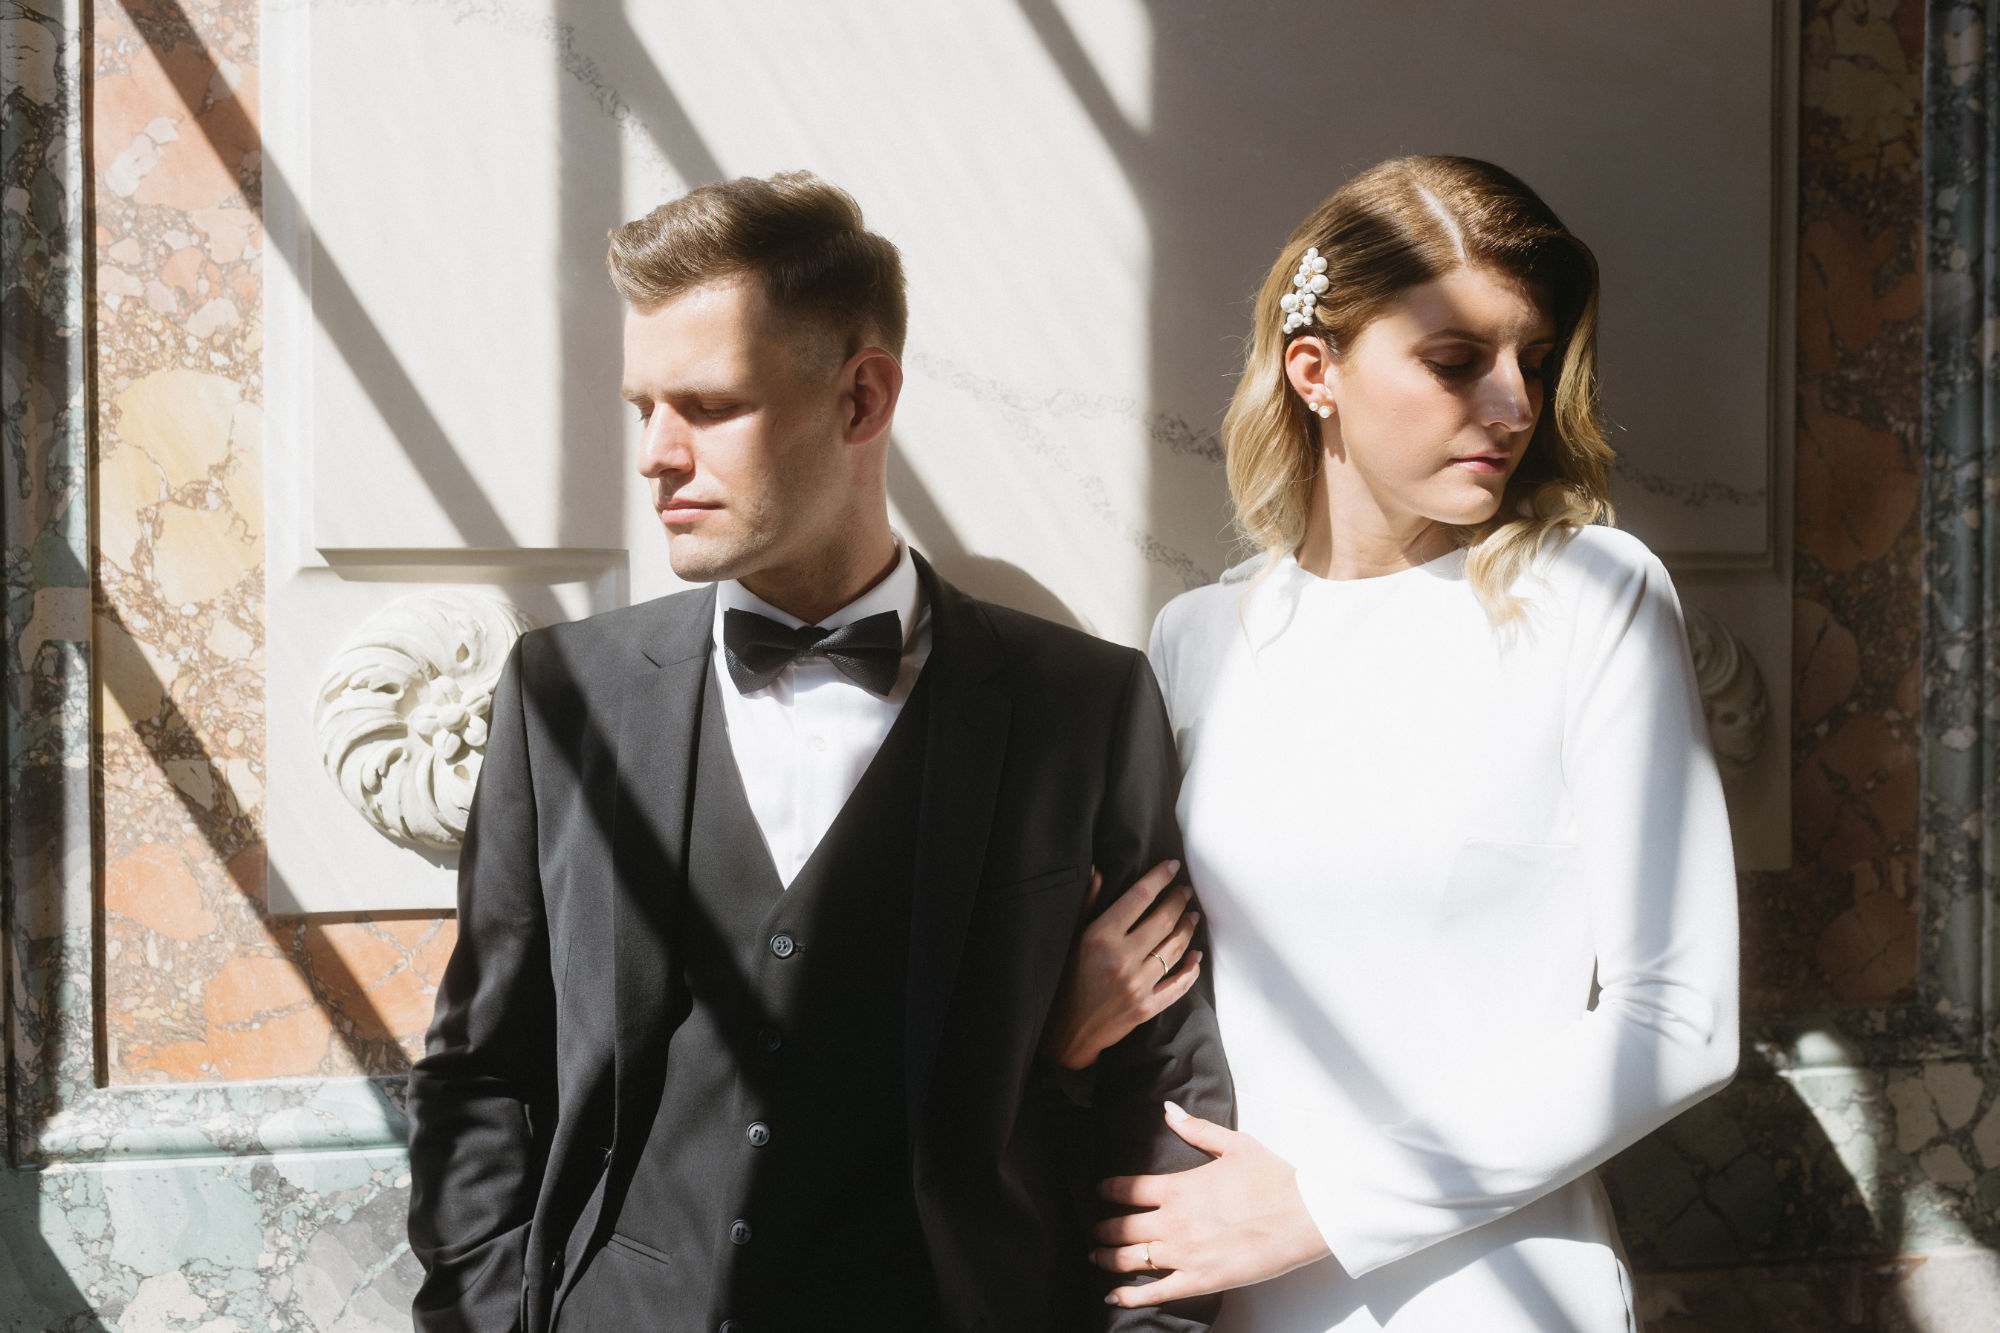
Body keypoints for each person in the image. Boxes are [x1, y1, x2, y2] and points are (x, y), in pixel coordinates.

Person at [404, 172, 1233, 1333]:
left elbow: (1156, 1096)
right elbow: (481, 1071)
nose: (654, 453)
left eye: (706, 404)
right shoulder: (563, 694)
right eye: (643, 405)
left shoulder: (1076, 705)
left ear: (860, 397)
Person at [1040, 155, 1740, 1330]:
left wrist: (1325, 1204)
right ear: (1313, 370)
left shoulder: (1591, 596)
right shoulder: (1197, 635)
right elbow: (1166, 1004)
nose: (1513, 402)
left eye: (1532, 358)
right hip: (1225, 1295)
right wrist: (1063, 1024)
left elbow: (1679, 1021)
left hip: (1496, 1294)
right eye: (1455, 361)